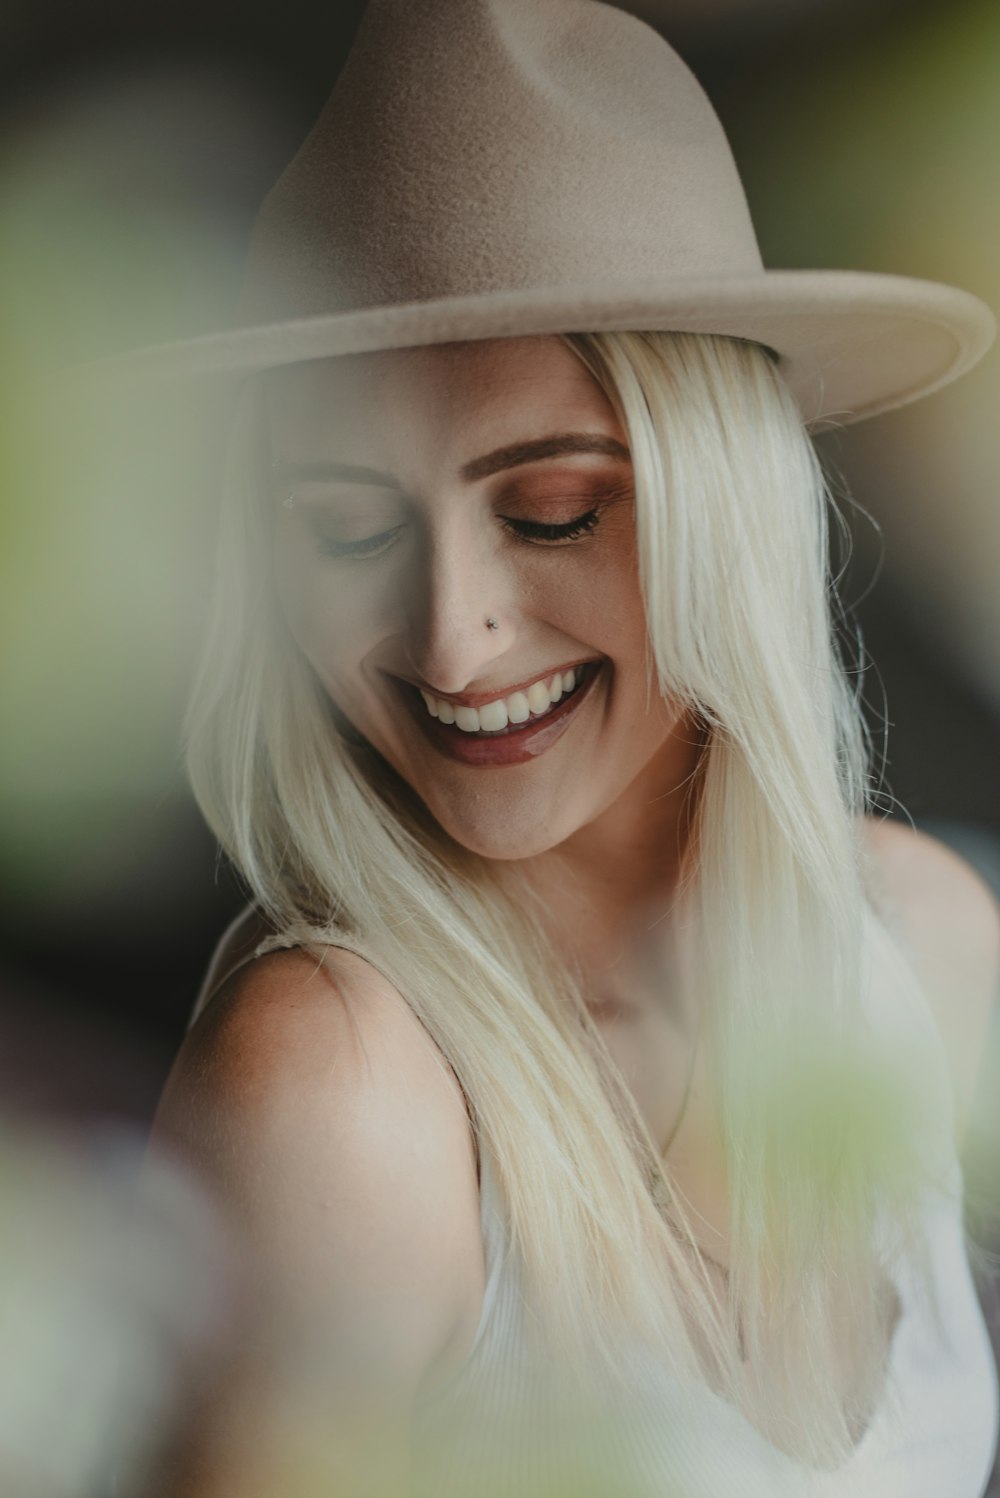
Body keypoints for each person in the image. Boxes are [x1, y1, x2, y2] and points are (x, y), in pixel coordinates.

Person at [131, 1, 1000, 1494]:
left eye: (551, 510)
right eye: (345, 524)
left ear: (721, 507)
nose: (452, 637)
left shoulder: (921, 941)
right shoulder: (341, 1092)